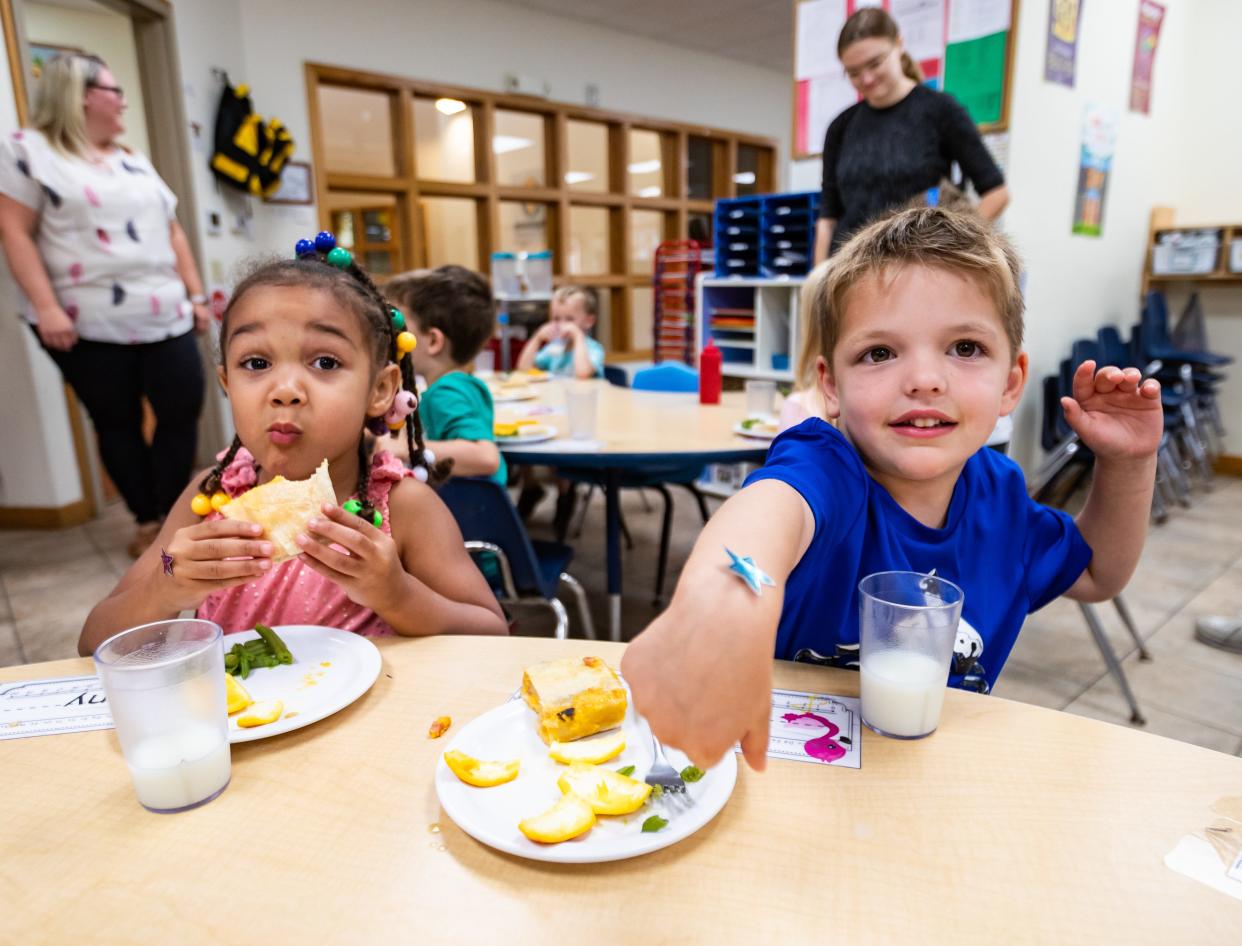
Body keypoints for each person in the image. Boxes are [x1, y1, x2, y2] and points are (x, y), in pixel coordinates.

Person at [621, 207, 1163, 770]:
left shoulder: (1002, 499)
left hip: (929, 786)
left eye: (965, 348)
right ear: (831, 386)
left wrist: (1128, 463)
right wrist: (727, 592)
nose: (924, 379)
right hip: (784, 786)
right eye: (880, 353)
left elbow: (1099, 573)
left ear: (1011, 383)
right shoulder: (827, 466)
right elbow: (766, 516)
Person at [77, 234, 508, 654]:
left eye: (325, 362)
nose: (284, 390)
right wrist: (166, 584)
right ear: (227, 382)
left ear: (380, 388)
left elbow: (493, 635)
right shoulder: (210, 498)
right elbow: (93, 642)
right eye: (256, 363)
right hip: (246, 721)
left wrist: (396, 594)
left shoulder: (403, 506)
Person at [0, 53, 212, 557]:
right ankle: (147, 520)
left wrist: (196, 294)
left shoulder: (131, 157)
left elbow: (172, 229)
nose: (122, 102)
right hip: (85, 320)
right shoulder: (28, 152)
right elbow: (13, 229)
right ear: (81, 95)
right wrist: (46, 306)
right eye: (114, 91)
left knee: (182, 407)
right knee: (115, 421)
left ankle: (172, 516)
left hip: (165, 309)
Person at [812, 8, 1010, 264]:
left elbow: (997, 193)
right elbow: (828, 216)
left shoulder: (941, 110)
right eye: (853, 72)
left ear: (899, 44)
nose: (867, 79)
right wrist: (819, 277)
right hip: (851, 270)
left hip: (917, 269)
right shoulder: (840, 127)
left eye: (875, 63)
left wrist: (952, 249)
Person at [383, 265, 505, 484]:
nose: (388, 335)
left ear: (433, 341)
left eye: (398, 327)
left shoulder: (446, 392)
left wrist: (404, 448)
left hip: (471, 515)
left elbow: (486, 457)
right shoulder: (461, 384)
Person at [515, 285, 604, 379]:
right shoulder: (554, 349)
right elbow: (523, 369)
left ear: (588, 322)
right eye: (556, 319)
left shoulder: (594, 349)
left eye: (569, 319)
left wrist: (577, 336)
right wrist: (537, 338)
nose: (562, 325)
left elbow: (583, 374)